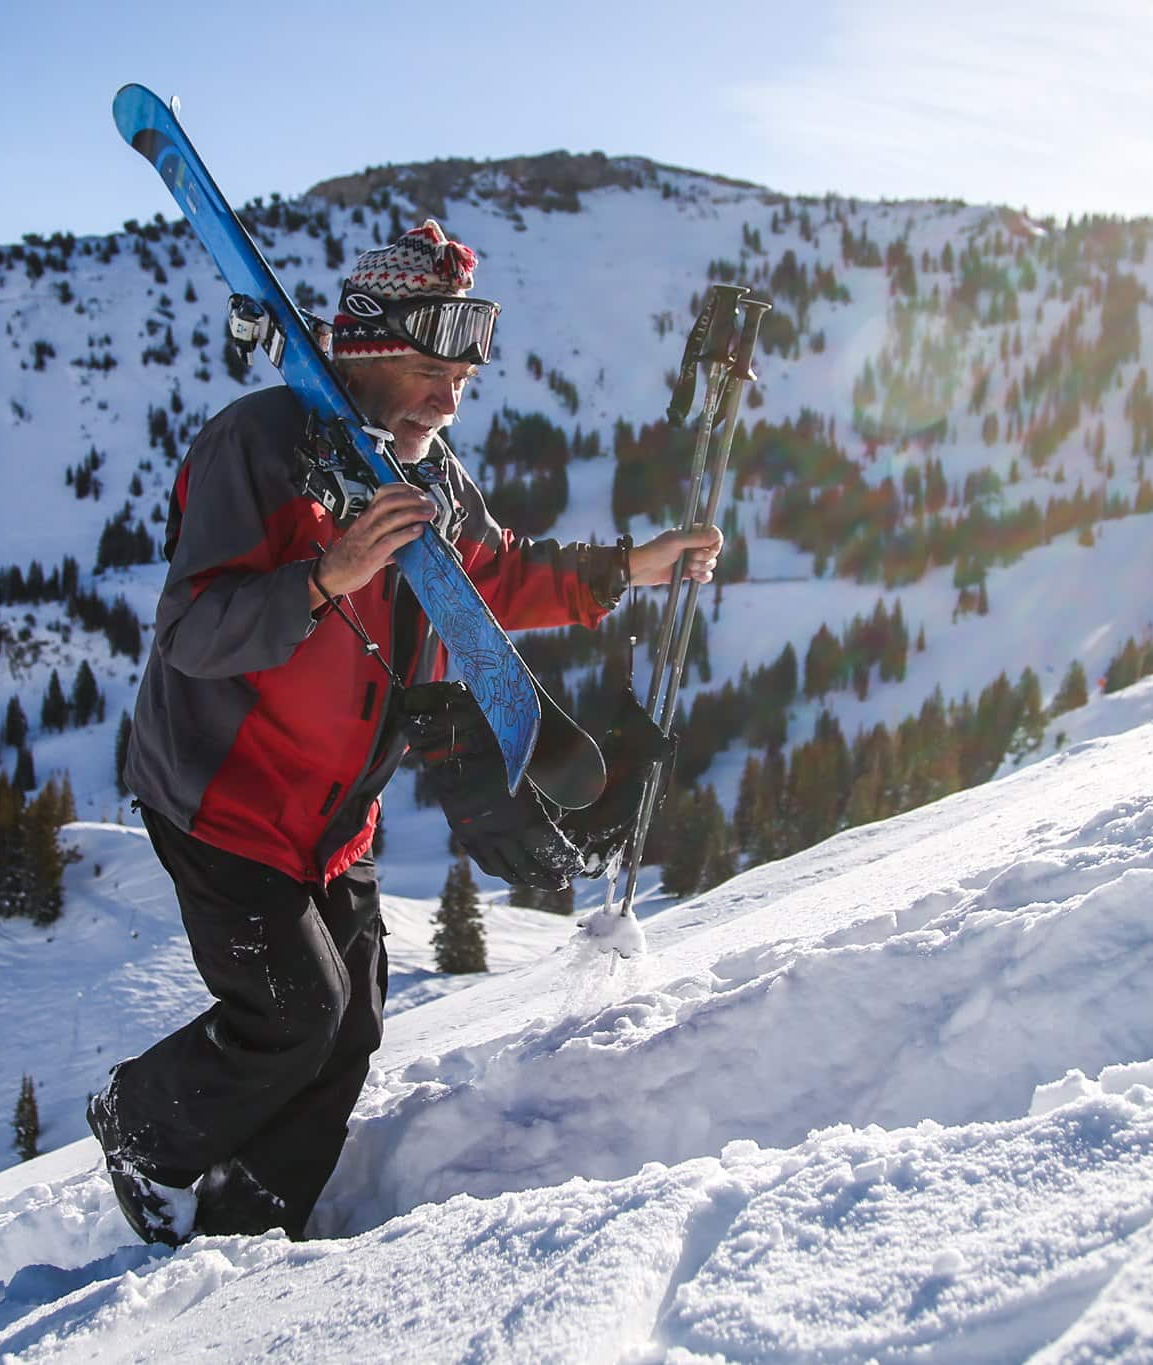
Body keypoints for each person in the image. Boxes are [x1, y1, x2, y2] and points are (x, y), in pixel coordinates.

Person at [89, 220, 721, 1245]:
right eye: (430, 369)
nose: (450, 394)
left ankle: (252, 1225)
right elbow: (192, 634)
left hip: (335, 816)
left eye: (462, 376)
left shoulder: (432, 481)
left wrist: (631, 567)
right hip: (225, 804)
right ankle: (142, 1128)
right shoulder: (255, 448)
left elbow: (492, 579)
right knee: (292, 1013)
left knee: (352, 1026)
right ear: (370, 351)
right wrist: (326, 576)